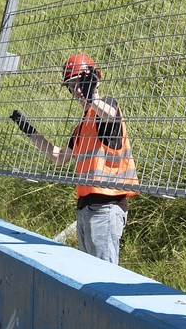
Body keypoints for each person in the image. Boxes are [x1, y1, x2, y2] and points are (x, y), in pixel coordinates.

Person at [9, 53, 138, 265]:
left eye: (80, 82)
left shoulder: (106, 105)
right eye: (71, 86)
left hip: (106, 206)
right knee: (89, 274)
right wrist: (29, 130)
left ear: (93, 80)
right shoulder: (82, 125)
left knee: (103, 274)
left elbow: (109, 114)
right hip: (86, 208)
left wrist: (93, 98)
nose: (76, 90)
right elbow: (58, 157)